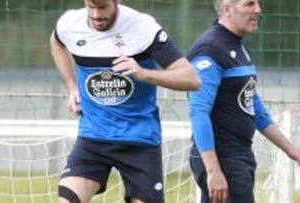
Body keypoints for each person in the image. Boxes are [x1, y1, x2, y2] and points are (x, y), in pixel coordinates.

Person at [50, 0, 201, 202]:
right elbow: (57, 42)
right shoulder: (70, 24)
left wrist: (143, 73)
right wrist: (72, 87)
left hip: (139, 141)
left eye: (103, 7)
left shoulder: (143, 28)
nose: (95, 14)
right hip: (93, 138)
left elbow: (192, 79)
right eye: (90, 7)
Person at [186, 0, 300, 203]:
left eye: (258, 3)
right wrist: (214, 170)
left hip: (239, 156)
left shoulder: (240, 45)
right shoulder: (210, 49)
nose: (258, 9)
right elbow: (198, 112)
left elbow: (252, 104)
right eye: (249, 4)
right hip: (223, 159)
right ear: (227, 9)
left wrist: (290, 149)